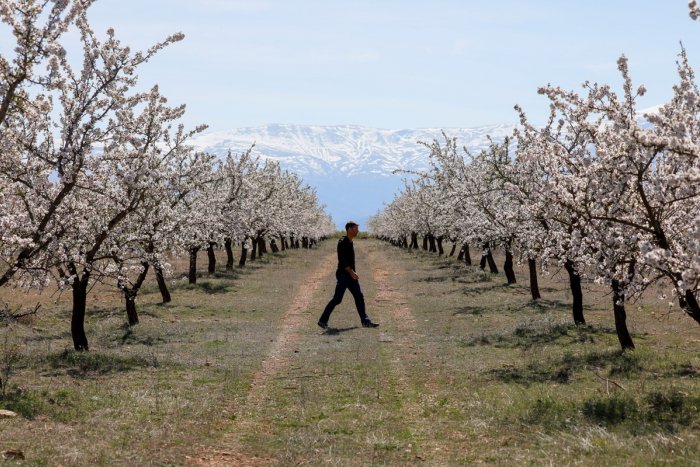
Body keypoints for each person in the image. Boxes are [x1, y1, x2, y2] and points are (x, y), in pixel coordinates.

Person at [318, 221, 379, 329]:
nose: (358, 230)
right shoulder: (342, 242)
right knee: (337, 299)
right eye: (356, 228)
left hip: (351, 276)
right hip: (343, 275)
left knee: (359, 296)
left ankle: (365, 321)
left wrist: (352, 273)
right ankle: (322, 320)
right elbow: (342, 260)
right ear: (350, 229)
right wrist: (351, 272)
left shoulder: (350, 242)